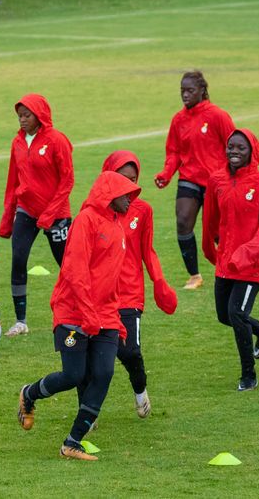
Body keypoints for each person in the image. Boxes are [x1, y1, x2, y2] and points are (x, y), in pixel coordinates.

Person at [16, 171, 141, 461]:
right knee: (74, 375)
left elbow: (112, 277)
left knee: (104, 373)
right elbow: (75, 270)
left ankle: (73, 442)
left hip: (105, 316)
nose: (130, 200)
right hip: (73, 311)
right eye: (125, 194)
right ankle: (29, 394)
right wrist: (87, 315)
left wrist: (115, 316)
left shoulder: (119, 227)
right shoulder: (86, 220)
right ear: (110, 196)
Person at [101, 151, 178, 418]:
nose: (129, 186)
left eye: (133, 180)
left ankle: (140, 391)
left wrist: (159, 283)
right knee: (97, 359)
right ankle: (88, 411)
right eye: (123, 179)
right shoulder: (94, 211)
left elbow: (148, 251)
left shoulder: (143, 210)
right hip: (101, 295)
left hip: (130, 294)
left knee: (130, 351)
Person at [202, 129, 259, 391]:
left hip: (252, 263)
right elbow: (210, 218)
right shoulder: (216, 180)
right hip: (226, 260)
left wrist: (247, 252)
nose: (234, 151)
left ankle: (249, 375)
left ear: (252, 152)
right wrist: (209, 249)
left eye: (240, 148)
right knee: (225, 315)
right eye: (230, 147)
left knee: (236, 312)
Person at [0, 94, 74, 337]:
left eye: (26, 115)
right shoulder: (17, 143)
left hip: (57, 214)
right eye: (19, 115)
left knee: (68, 266)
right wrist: (6, 219)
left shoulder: (57, 140)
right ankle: (20, 321)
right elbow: (12, 181)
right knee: (18, 260)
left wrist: (51, 213)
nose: (22, 120)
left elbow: (67, 180)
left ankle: (78, 311)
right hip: (26, 210)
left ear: (39, 115)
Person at [154, 71, 235, 290]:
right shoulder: (178, 120)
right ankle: (194, 275)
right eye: (182, 90)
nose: (185, 95)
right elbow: (174, 152)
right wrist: (166, 174)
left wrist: (235, 176)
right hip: (189, 178)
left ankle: (230, 269)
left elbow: (235, 146)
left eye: (190, 90)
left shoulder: (217, 116)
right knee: (182, 221)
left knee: (218, 231)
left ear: (202, 91)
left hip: (216, 181)